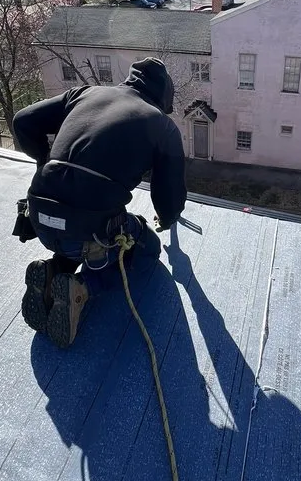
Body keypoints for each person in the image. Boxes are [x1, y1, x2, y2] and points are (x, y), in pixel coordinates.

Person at [12, 57, 187, 348]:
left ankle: (55, 271)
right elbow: (169, 196)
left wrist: (45, 161)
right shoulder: (161, 124)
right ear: (163, 99)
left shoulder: (86, 93)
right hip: (89, 229)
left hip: (39, 217)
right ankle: (82, 288)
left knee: (80, 232)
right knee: (144, 250)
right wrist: (167, 218)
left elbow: (22, 121)